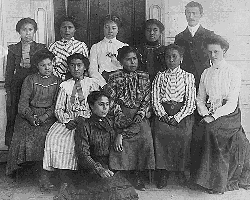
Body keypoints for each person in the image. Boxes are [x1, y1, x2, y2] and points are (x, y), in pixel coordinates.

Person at [190, 34, 250, 194]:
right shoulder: (205, 73)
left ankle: (217, 183)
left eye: (216, 51)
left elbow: (231, 103)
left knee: (211, 131)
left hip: (229, 114)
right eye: (210, 52)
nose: (213, 56)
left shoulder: (233, 72)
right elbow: (200, 98)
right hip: (209, 112)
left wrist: (214, 116)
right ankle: (201, 180)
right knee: (198, 130)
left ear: (224, 51)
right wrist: (204, 114)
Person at [53, 91, 139, 200]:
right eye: (101, 104)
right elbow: (83, 154)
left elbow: (136, 126)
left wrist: (121, 135)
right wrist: (99, 169)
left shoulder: (112, 120)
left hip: (110, 166)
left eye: (107, 104)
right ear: (92, 106)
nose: (105, 108)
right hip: (91, 168)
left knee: (126, 194)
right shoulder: (84, 125)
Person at [43, 53, 101, 189]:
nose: (76, 68)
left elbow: (97, 104)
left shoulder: (92, 84)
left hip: (88, 121)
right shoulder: (65, 86)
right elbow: (58, 109)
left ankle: (82, 178)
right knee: (56, 137)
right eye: (72, 65)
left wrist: (88, 119)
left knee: (82, 139)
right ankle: (65, 177)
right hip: (69, 121)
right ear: (68, 67)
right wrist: (67, 120)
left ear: (85, 67)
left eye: (79, 65)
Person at [6, 51, 61, 190]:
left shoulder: (57, 81)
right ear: (37, 66)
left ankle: (44, 175)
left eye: (49, 64)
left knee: (46, 136)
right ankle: (22, 171)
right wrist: (31, 117)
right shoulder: (30, 80)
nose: (47, 68)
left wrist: (45, 116)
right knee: (23, 133)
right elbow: (22, 104)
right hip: (29, 114)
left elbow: (57, 104)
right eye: (43, 65)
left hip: (49, 115)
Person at [103, 46, 155, 191]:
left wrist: (141, 113)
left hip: (139, 113)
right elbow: (111, 100)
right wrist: (119, 115)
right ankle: (122, 171)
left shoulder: (144, 76)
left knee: (145, 136)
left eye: (134, 59)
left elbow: (147, 98)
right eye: (128, 59)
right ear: (121, 61)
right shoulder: (114, 77)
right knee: (118, 135)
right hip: (119, 113)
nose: (132, 62)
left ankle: (137, 173)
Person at [152, 44, 196, 189]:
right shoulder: (160, 76)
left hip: (182, 114)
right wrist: (162, 115)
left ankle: (180, 170)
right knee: (160, 133)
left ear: (181, 59)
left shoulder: (188, 77)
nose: (171, 60)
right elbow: (155, 99)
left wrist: (177, 117)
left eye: (174, 57)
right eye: (168, 57)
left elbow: (190, 102)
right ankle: (163, 171)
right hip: (163, 113)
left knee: (184, 135)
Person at [5, 17, 47, 146]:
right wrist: (9, 90)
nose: (27, 33)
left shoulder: (40, 48)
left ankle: (32, 148)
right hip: (17, 84)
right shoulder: (13, 49)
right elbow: (9, 71)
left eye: (30, 30)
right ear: (19, 32)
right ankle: (13, 147)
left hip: (35, 83)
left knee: (33, 111)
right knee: (15, 113)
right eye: (24, 30)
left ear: (34, 31)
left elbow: (45, 67)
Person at [174, 1, 214, 88]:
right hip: (185, 80)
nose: (191, 16)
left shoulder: (209, 35)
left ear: (201, 15)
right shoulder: (179, 37)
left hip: (204, 78)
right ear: (185, 14)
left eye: (194, 13)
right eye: (188, 13)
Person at [88, 14, 128, 87]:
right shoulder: (96, 47)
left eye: (113, 28)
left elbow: (126, 68)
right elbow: (92, 70)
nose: (110, 31)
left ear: (118, 29)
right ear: (103, 28)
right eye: (107, 27)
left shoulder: (124, 46)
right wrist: (103, 84)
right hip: (101, 82)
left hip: (121, 82)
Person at [49, 16, 89, 80]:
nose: (67, 30)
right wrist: (62, 77)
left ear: (74, 29)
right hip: (58, 79)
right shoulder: (54, 46)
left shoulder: (81, 46)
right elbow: (50, 66)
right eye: (64, 27)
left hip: (78, 79)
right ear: (60, 29)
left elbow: (86, 65)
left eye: (70, 27)